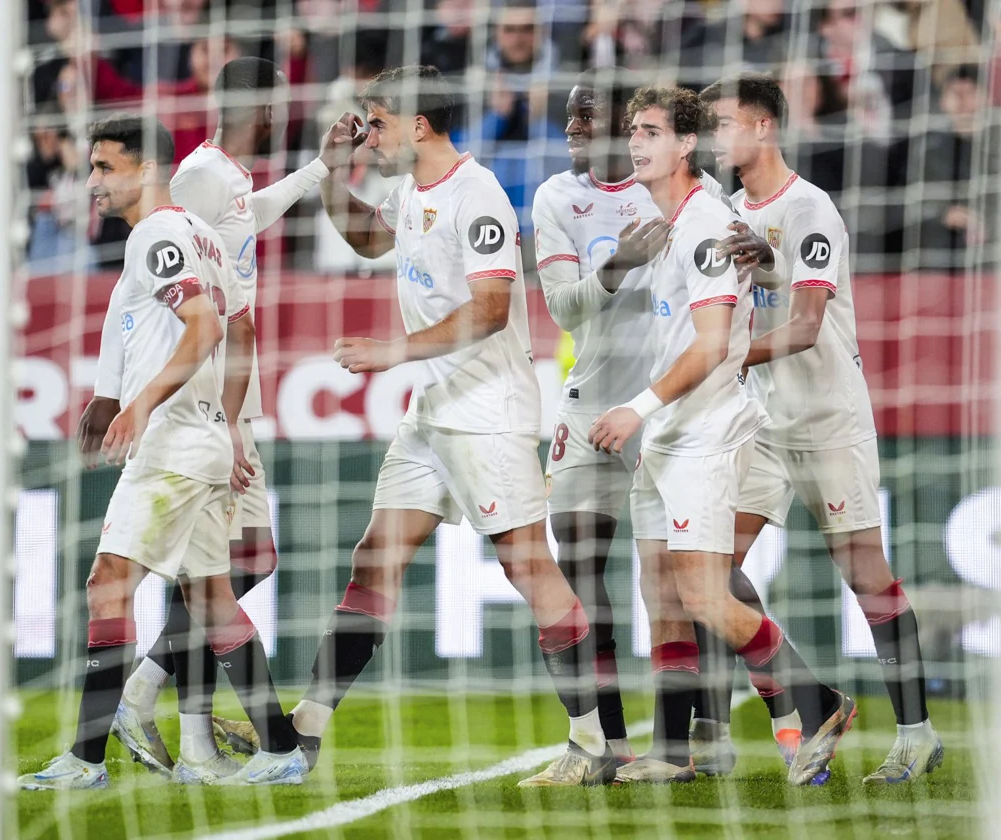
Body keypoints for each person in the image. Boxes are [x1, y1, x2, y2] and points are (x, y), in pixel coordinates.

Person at [295, 64, 615, 787]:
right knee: (373, 560)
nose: (368, 135)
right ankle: (304, 731)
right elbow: (369, 243)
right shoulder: (410, 190)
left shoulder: (479, 196)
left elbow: (492, 307)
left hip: (488, 410)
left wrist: (392, 352)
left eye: (375, 122)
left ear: (417, 125)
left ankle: (593, 744)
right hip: (433, 411)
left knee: (529, 568)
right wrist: (328, 173)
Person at [20, 114, 305, 790]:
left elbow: (205, 328)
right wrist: (228, 426)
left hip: (173, 441)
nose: (92, 182)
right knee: (212, 601)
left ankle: (85, 761)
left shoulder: (158, 236)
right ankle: (281, 748)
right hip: (206, 438)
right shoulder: (203, 236)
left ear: (144, 168)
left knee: (108, 584)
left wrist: (141, 404)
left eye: (104, 167)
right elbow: (244, 330)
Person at [588, 86, 854, 786]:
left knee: (704, 595)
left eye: (650, 131)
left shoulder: (706, 222)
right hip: (666, 433)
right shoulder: (676, 222)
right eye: (631, 131)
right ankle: (675, 751)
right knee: (661, 594)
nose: (635, 143)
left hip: (705, 433)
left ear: (684, 146)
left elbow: (711, 346)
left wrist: (635, 407)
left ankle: (819, 701)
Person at [80, 57, 335, 781]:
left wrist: (320, 168)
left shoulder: (225, 183)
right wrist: (114, 391)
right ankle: (166, 717)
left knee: (235, 568)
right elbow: (139, 298)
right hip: (197, 405)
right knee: (217, 573)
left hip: (218, 407)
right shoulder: (192, 181)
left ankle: (158, 709)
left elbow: (236, 283)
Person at [698, 74, 942, 784]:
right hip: (764, 424)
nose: (717, 136)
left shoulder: (811, 208)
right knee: (710, 567)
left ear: (763, 127)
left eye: (724, 122)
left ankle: (917, 734)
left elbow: (805, 328)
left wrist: (729, 355)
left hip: (830, 418)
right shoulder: (730, 209)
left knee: (865, 575)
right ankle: (808, 706)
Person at [529, 70, 727, 772]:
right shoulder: (557, 196)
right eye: (569, 115)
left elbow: (734, 287)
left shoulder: (686, 193)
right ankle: (608, 743)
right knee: (580, 573)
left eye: (586, 115)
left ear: (630, 124)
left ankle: (705, 732)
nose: (572, 127)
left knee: (692, 584)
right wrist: (620, 265)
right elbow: (562, 309)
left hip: (669, 411)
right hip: (589, 410)